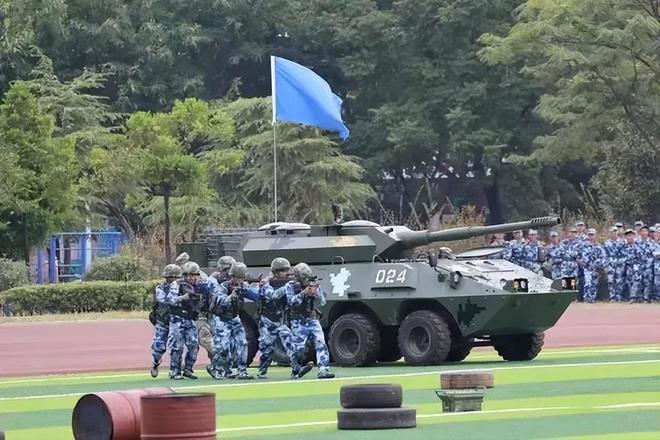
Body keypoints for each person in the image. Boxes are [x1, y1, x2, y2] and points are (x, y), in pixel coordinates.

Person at [255, 257, 312, 379]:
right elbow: (273, 295)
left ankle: (296, 370)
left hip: (280, 323)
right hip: (267, 323)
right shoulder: (266, 285)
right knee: (267, 349)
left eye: (287, 270)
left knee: (292, 345)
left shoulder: (289, 285)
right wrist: (287, 286)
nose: (286, 273)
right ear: (275, 272)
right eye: (283, 270)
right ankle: (262, 371)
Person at [208, 262, 257, 380]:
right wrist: (231, 297)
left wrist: (251, 290)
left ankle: (242, 371)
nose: (240, 280)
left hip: (234, 318)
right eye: (237, 277)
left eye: (242, 278)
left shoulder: (243, 286)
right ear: (232, 276)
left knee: (242, 343)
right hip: (222, 319)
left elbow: (255, 295)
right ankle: (216, 368)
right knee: (223, 347)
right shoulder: (224, 286)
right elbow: (220, 301)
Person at [286, 263, 335, 379]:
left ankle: (323, 369)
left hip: (312, 318)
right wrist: (303, 293)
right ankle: (296, 369)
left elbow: (322, 302)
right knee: (299, 348)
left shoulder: (314, 284)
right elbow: (291, 302)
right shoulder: (291, 286)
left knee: (321, 343)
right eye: (303, 277)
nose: (306, 280)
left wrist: (316, 293)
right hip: (298, 320)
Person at [164, 261, 203, 379]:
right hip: (177, 319)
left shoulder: (200, 285)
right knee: (177, 347)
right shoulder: (177, 284)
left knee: (194, 345)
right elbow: (170, 300)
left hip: (190, 319)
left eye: (195, 275)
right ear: (184, 275)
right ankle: (174, 371)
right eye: (190, 275)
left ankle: (188, 369)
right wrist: (183, 298)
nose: (193, 278)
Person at [149, 264, 181, 378]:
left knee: (176, 347)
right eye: (168, 277)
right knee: (158, 347)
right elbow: (166, 300)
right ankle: (155, 363)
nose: (170, 280)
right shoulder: (160, 288)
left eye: (173, 277)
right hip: (162, 321)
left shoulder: (183, 287)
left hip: (176, 322)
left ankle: (175, 371)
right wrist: (174, 288)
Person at [578, 229, 605, 303]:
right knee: (587, 283)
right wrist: (581, 262)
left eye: (592, 235)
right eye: (589, 235)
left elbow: (603, 258)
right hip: (587, 269)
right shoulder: (582, 246)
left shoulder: (599, 247)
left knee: (594, 284)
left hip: (596, 269)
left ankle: (592, 299)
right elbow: (578, 257)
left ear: (595, 236)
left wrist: (596, 264)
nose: (591, 237)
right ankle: (587, 298)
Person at [603, 226, 625, 302]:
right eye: (612, 232)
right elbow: (604, 255)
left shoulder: (622, 242)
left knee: (619, 281)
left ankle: (618, 297)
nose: (614, 233)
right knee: (610, 281)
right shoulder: (606, 243)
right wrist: (605, 265)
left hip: (619, 264)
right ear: (610, 233)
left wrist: (622, 263)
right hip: (610, 264)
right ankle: (612, 296)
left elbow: (625, 254)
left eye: (615, 231)